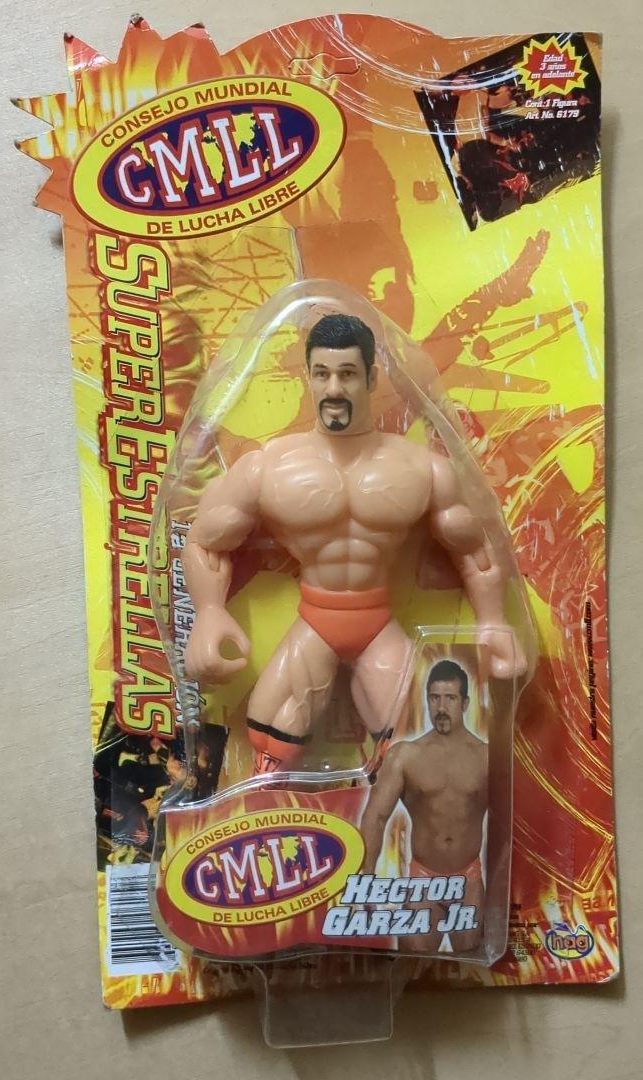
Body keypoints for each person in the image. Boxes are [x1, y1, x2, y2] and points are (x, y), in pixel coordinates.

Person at [183, 313, 525, 774]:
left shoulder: (420, 469)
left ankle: (398, 815)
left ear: (371, 378)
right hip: (315, 620)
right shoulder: (270, 467)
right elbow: (206, 541)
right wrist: (208, 612)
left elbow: (474, 551)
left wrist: (494, 623)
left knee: (422, 738)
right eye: (322, 374)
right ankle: (270, 813)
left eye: (347, 374)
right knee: (269, 735)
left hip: (378, 624)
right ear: (307, 377)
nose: (334, 388)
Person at [359, 659, 488, 953]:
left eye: (450, 698)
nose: (441, 707)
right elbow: (375, 817)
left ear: (465, 703)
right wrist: (366, 879)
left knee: (473, 967)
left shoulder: (486, 757)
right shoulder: (405, 756)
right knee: (413, 966)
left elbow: (510, 822)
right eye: (434, 698)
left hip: (468, 879)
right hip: (423, 879)